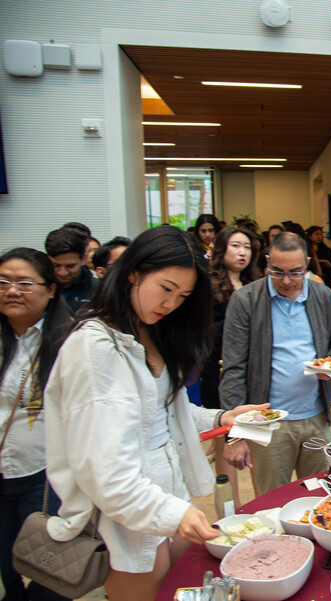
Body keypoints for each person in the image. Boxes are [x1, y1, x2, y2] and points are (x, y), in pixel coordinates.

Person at [43, 226, 268, 601]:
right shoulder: (95, 347)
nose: (170, 304)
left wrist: (221, 419)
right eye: (165, 289)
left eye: (182, 296)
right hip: (124, 512)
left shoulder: (147, 328)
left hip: (164, 496)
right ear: (133, 271)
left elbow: (161, 413)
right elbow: (104, 471)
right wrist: (172, 513)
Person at [220, 232, 331, 493]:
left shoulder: (322, 296)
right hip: (268, 423)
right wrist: (236, 433)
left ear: (308, 264)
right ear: (267, 262)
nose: (287, 281)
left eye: (296, 272)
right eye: (277, 272)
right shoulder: (246, 300)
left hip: (316, 419)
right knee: (271, 500)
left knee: (320, 496)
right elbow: (233, 369)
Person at [0, 248, 72, 601]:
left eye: (24, 283)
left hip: (44, 478)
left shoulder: (69, 342)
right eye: (3, 282)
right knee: (7, 569)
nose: (12, 291)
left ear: (51, 289)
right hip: (2, 472)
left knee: (48, 576)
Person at [200, 227, 260, 506]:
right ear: (221, 250)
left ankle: (262, 505)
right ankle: (232, 510)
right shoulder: (208, 287)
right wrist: (237, 325)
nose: (242, 252)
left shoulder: (257, 284)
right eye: (236, 246)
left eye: (247, 247)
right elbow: (202, 332)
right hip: (220, 371)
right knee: (229, 442)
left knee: (258, 439)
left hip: (255, 373)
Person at [44, 227, 99, 313]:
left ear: (83, 259)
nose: (62, 272)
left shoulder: (99, 290)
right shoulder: (38, 287)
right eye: (56, 265)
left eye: (70, 266)